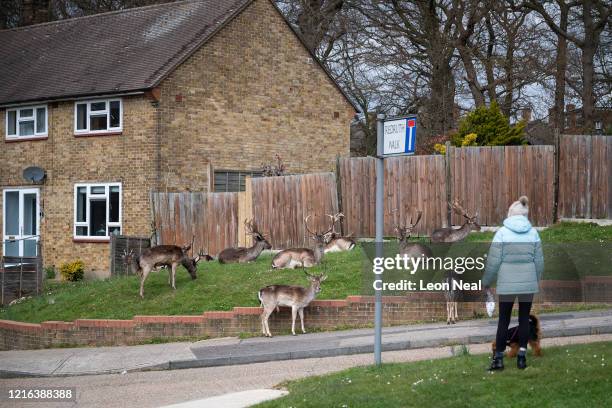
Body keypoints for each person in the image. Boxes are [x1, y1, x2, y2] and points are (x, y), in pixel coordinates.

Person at [482, 196, 544, 370]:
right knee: (524, 319)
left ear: (510, 214)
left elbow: (493, 261)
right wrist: (535, 280)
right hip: (528, 284)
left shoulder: (502, 233)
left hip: (507, 283)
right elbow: (539, 262)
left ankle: (499, 360)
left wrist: (486, 281)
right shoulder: (533, 233)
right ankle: (522, 358)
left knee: (504, 320)